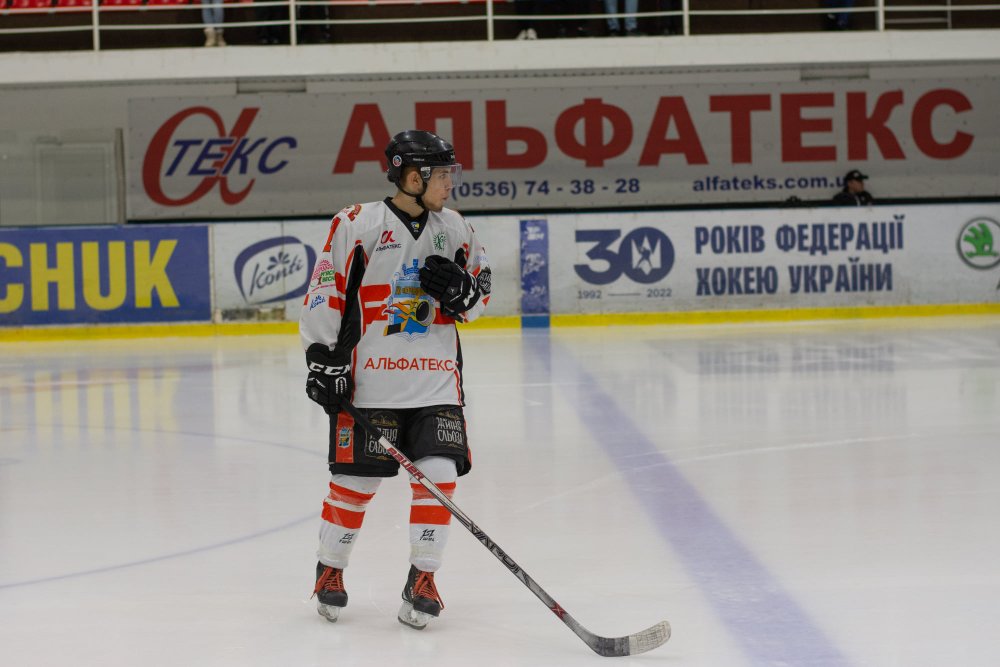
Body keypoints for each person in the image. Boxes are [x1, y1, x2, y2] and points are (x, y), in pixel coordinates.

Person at [301, 130, 492, 630]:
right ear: (412, 177)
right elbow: (326, 289)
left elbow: (481, 293)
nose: (450, 183)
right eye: (442, 174)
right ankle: (330, 568)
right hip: (371, 385)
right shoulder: (356, 223)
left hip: (437, 383)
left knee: (440, 476)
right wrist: (323, 360)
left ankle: (423, 577)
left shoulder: (457, 228)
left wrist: (464, 294)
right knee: (355, 481)